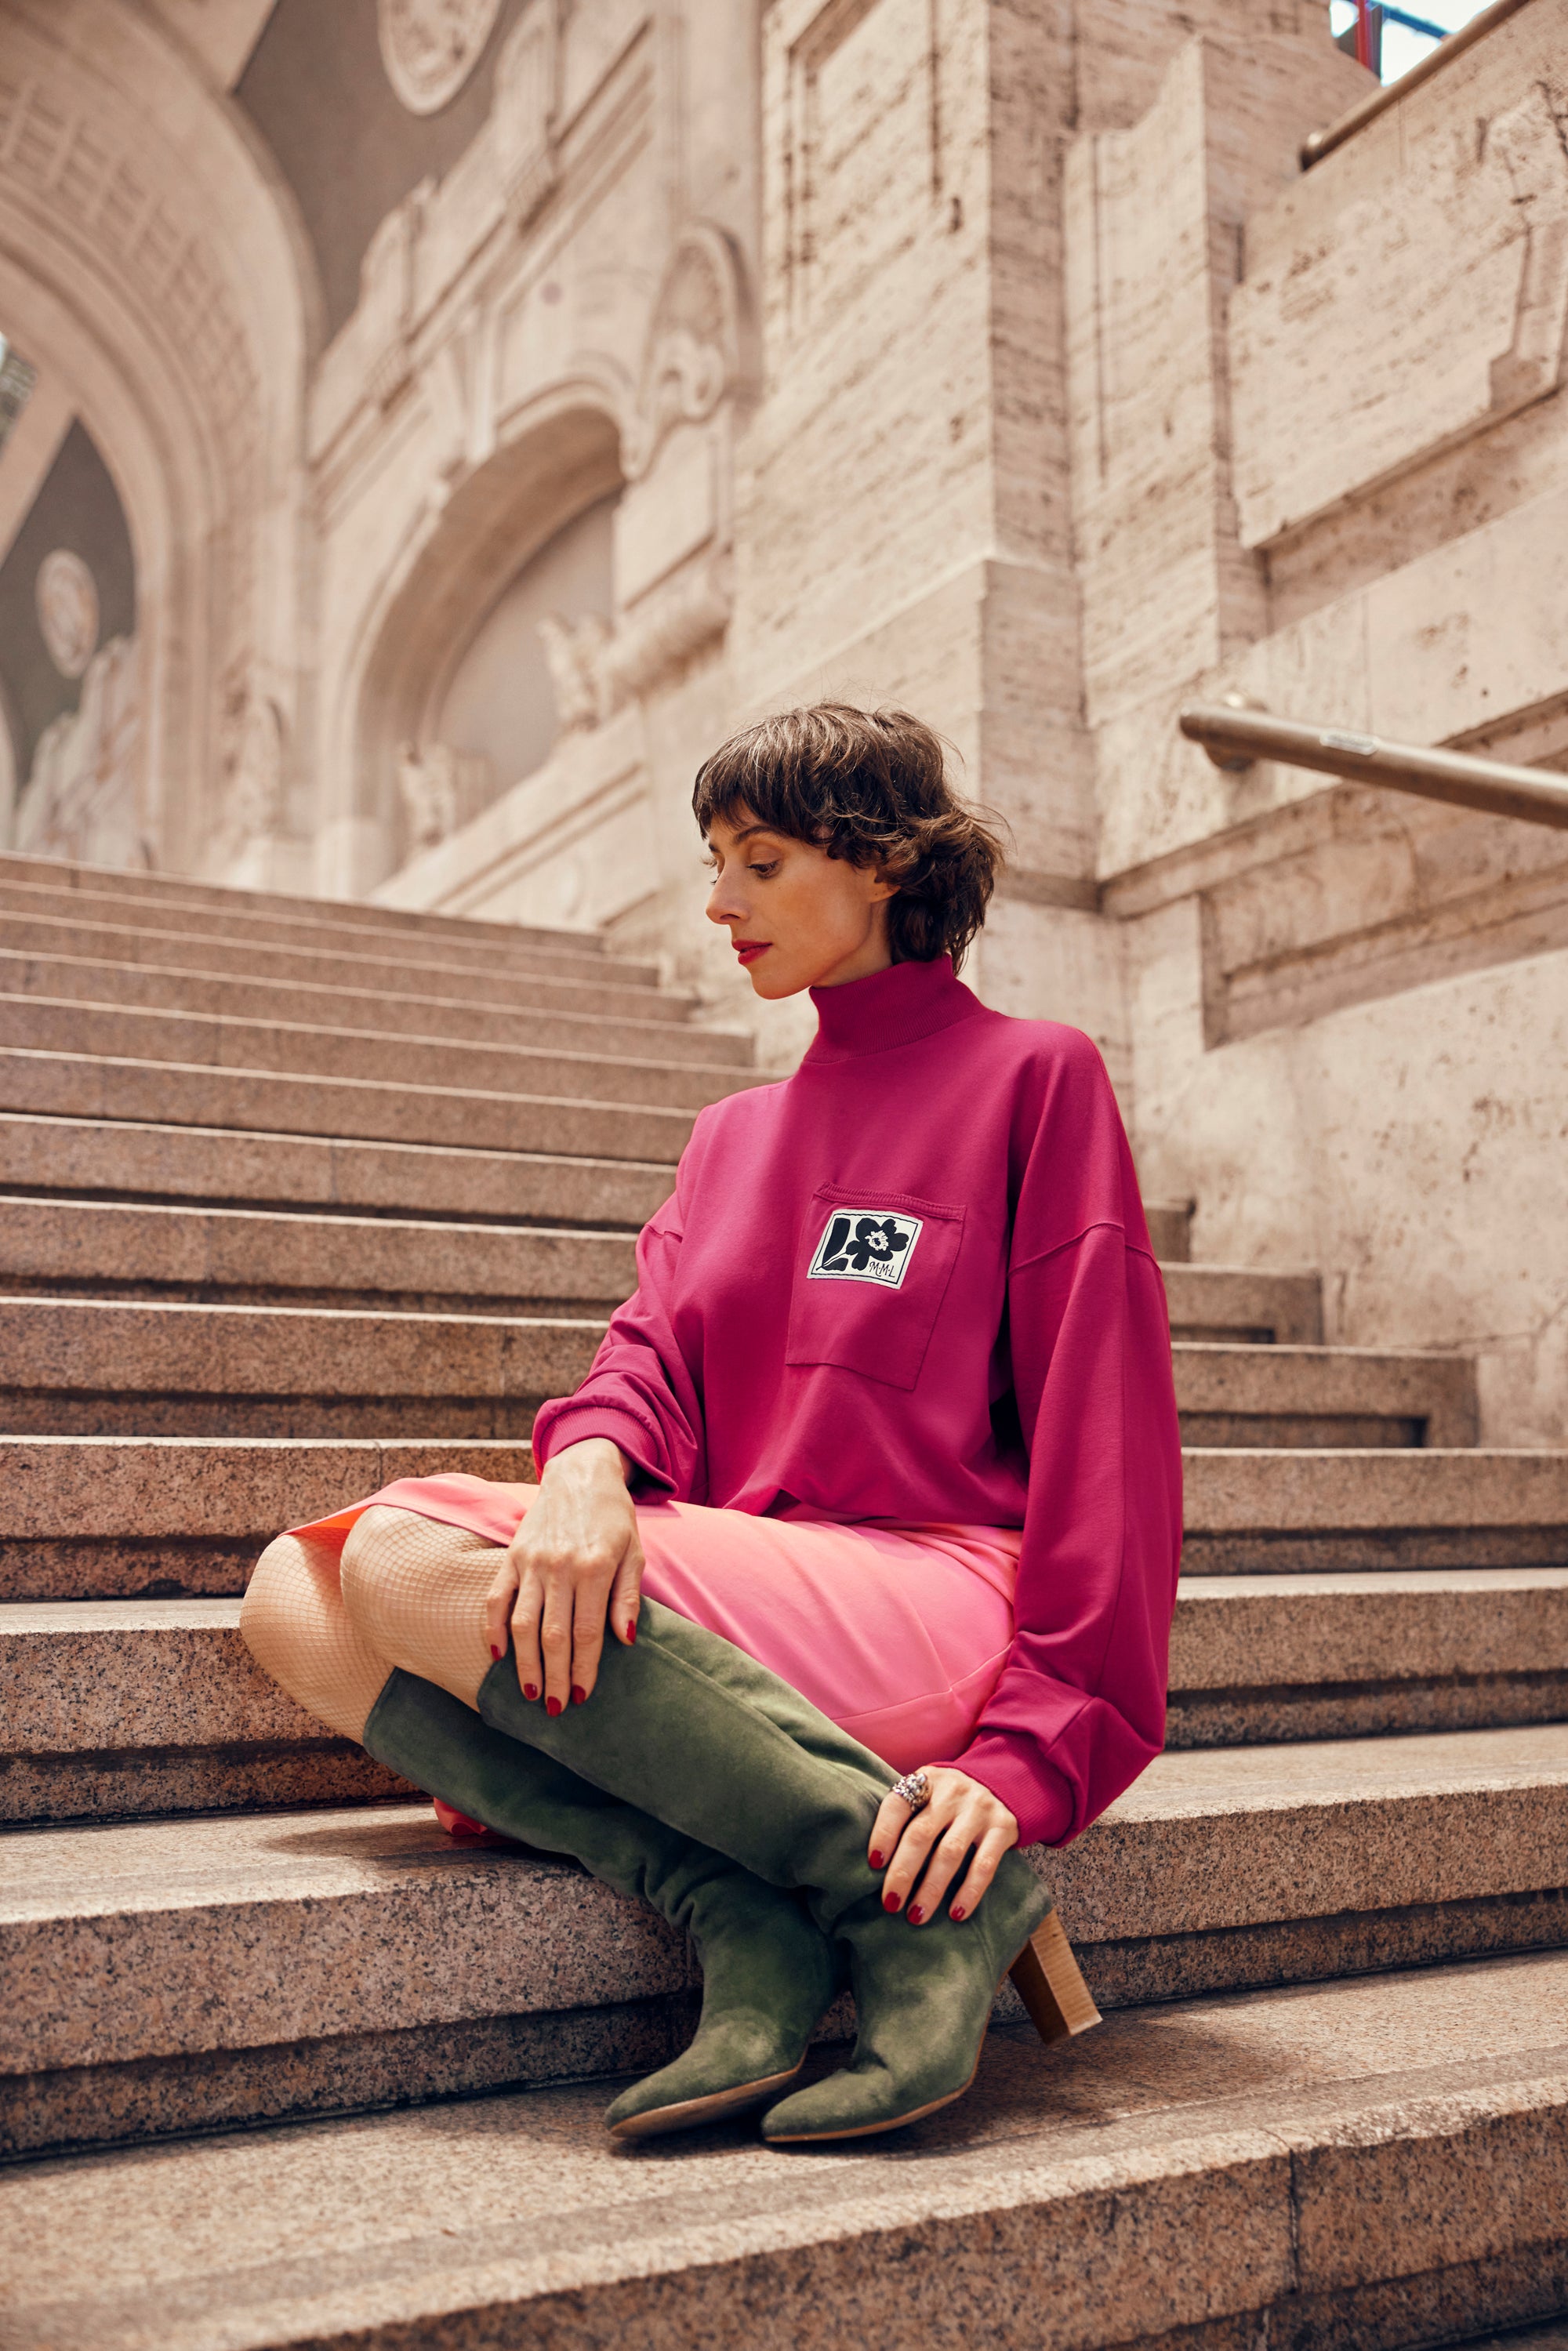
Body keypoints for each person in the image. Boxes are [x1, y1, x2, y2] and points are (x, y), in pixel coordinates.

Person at [241, 703, 1183, 2146]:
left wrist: (1029, 1752)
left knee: (403, 1556)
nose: (720, 903)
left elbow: (1106, 1445)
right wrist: (587, 1470)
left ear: (884, 864)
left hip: (939, 1590)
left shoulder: (1033, 1078)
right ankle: (745, 1910)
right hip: (749, 1594)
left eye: (762, 863)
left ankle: (921, 1912)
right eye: (716, 864)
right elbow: (649, 1355)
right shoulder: (733, 1135)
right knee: (292, 1596)